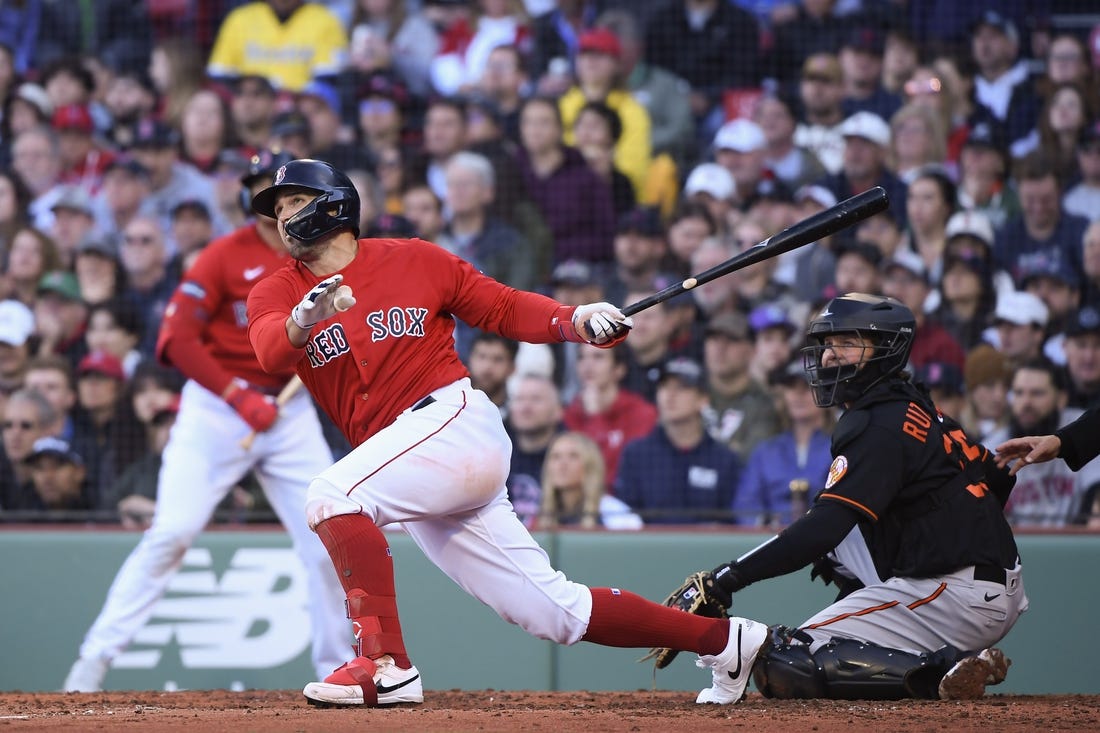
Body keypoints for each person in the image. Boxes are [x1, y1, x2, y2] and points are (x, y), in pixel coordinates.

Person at [244, 157, 751, 708]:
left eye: (294, 201)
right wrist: (303, 319)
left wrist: (574, 320)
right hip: (411, 463)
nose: (283, 215)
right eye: (277, 208)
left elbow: (502, 306)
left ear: (334, 203)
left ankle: (385, 665)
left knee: (331, 496)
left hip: (450, 421)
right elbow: (271, 353)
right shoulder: (275, 292)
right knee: (555, 613)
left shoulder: (415, 258)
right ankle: (727, 642)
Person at [61, 151, 349, 693]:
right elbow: (177, 341)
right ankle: (93, 662)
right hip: (218, 407)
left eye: (293, 198)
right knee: (172, 532)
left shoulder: (322, 260)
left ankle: (334, 668)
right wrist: (239, 397)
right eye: (270, 194)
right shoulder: (223, 255)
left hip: (287, 410)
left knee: (325, 537)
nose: (283, 208)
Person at [654, 292, 1026, 702]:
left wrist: (727, 578)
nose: (830, 356)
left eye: (847, 344)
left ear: (885, 350)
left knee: (786, 663)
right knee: (839, 537)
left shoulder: (880, 424)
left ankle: (943, 668)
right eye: (828, 344)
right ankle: (929, 646)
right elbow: (996, 479)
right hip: (976, 580)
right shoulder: (914, 406)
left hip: (955, 592)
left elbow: (823, 527)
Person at [614, 357, 740, 524]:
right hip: (648, 548)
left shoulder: (724, 460)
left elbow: (732, 524)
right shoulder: (636, 455)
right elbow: (624, 522)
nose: (669, 396)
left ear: (703, 400)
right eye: (664, 387)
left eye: (682, 388)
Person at [982, 358, 1099, 527]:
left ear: (1061, 398)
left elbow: (1096, 497)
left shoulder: (1084, 430)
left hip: (1077, 542)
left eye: (1037, 393)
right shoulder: (994, 446)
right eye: (1019, 393)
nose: (1026, 402)